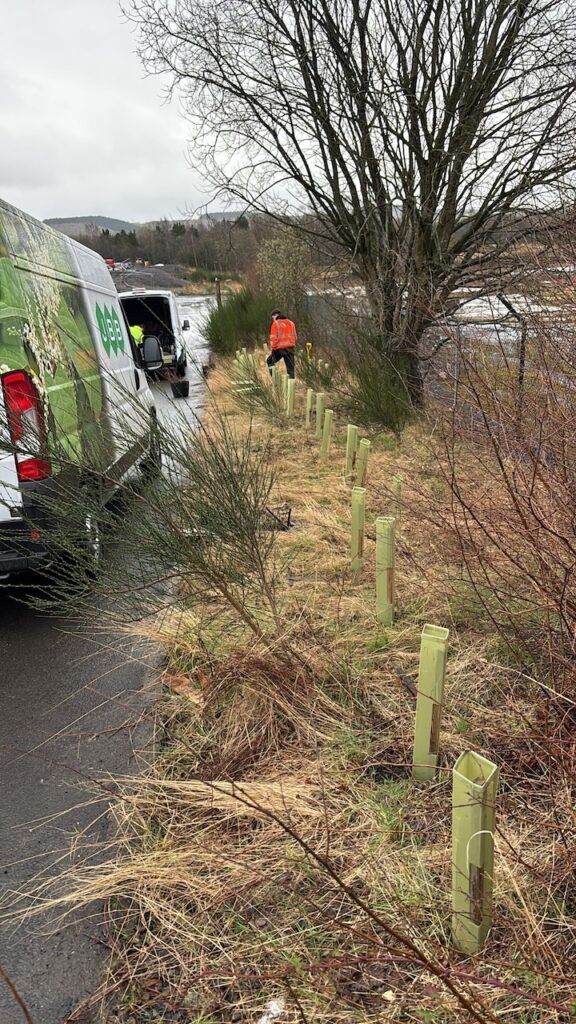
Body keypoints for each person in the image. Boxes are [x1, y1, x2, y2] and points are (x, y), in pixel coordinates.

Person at [267, 309, 297, 379]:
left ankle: (275, 380)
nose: (273, 319)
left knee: (270, 361)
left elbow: (273, 338)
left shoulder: (275, 323)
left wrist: (273, 348)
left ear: (276, 315)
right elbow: (295, 337)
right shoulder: (291, 323)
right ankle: (291, 383)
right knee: (290, 368)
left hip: (280, 349)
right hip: (290, 348)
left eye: (273, 318)